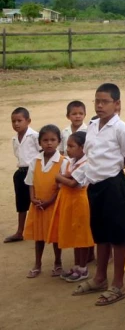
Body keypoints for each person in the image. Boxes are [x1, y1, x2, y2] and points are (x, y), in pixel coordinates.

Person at [72, 83, 125, 306]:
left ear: (117, 104)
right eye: (97, 101)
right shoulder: (92, 125)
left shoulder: (122, 129)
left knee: (118, 235)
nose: (100, 106)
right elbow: (90, 154)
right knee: (100, 233)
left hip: (114, 185)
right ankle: (100, 277)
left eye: (105, 102)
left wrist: (111, 165)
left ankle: (118, 284)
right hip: (95, 186)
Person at [49, 131, 95, 282]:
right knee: (74, 233)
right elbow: (66, 177)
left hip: (79, 201)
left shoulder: (86, 163)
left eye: (71, 146)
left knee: (80, 234)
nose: (67, 149)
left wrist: (58, 177)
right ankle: (76, 265)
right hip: (68, 201)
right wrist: (63, 177)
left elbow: (72, 183)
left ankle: (83, 267)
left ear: (83, 148)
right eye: (67, 146)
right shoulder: (70, 161)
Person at [23, 124, 63, 278]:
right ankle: (37, 264)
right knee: (38, 236)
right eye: (45, 140)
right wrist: (33, 199)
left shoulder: (62, 161)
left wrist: (50, 201)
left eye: (53, 139)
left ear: (59, 141)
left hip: (53, 205)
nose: (49, 143)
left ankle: (58, 263)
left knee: (55, 236)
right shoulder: (35, 161)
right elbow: (30, 182)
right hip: (38, 205)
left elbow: (60, 187)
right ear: (39, 142)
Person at [6, 107, 39, 243]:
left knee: (36, 200)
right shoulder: (15, 139)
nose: (16, 124)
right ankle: (20, 231)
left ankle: (39, 230)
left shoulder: (35, 136)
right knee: (21, 203)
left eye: (19, 120)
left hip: (34, 172)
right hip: (21, 172)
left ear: (28, 121)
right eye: (13, 121)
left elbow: (42, 153)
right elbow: (18, 155)